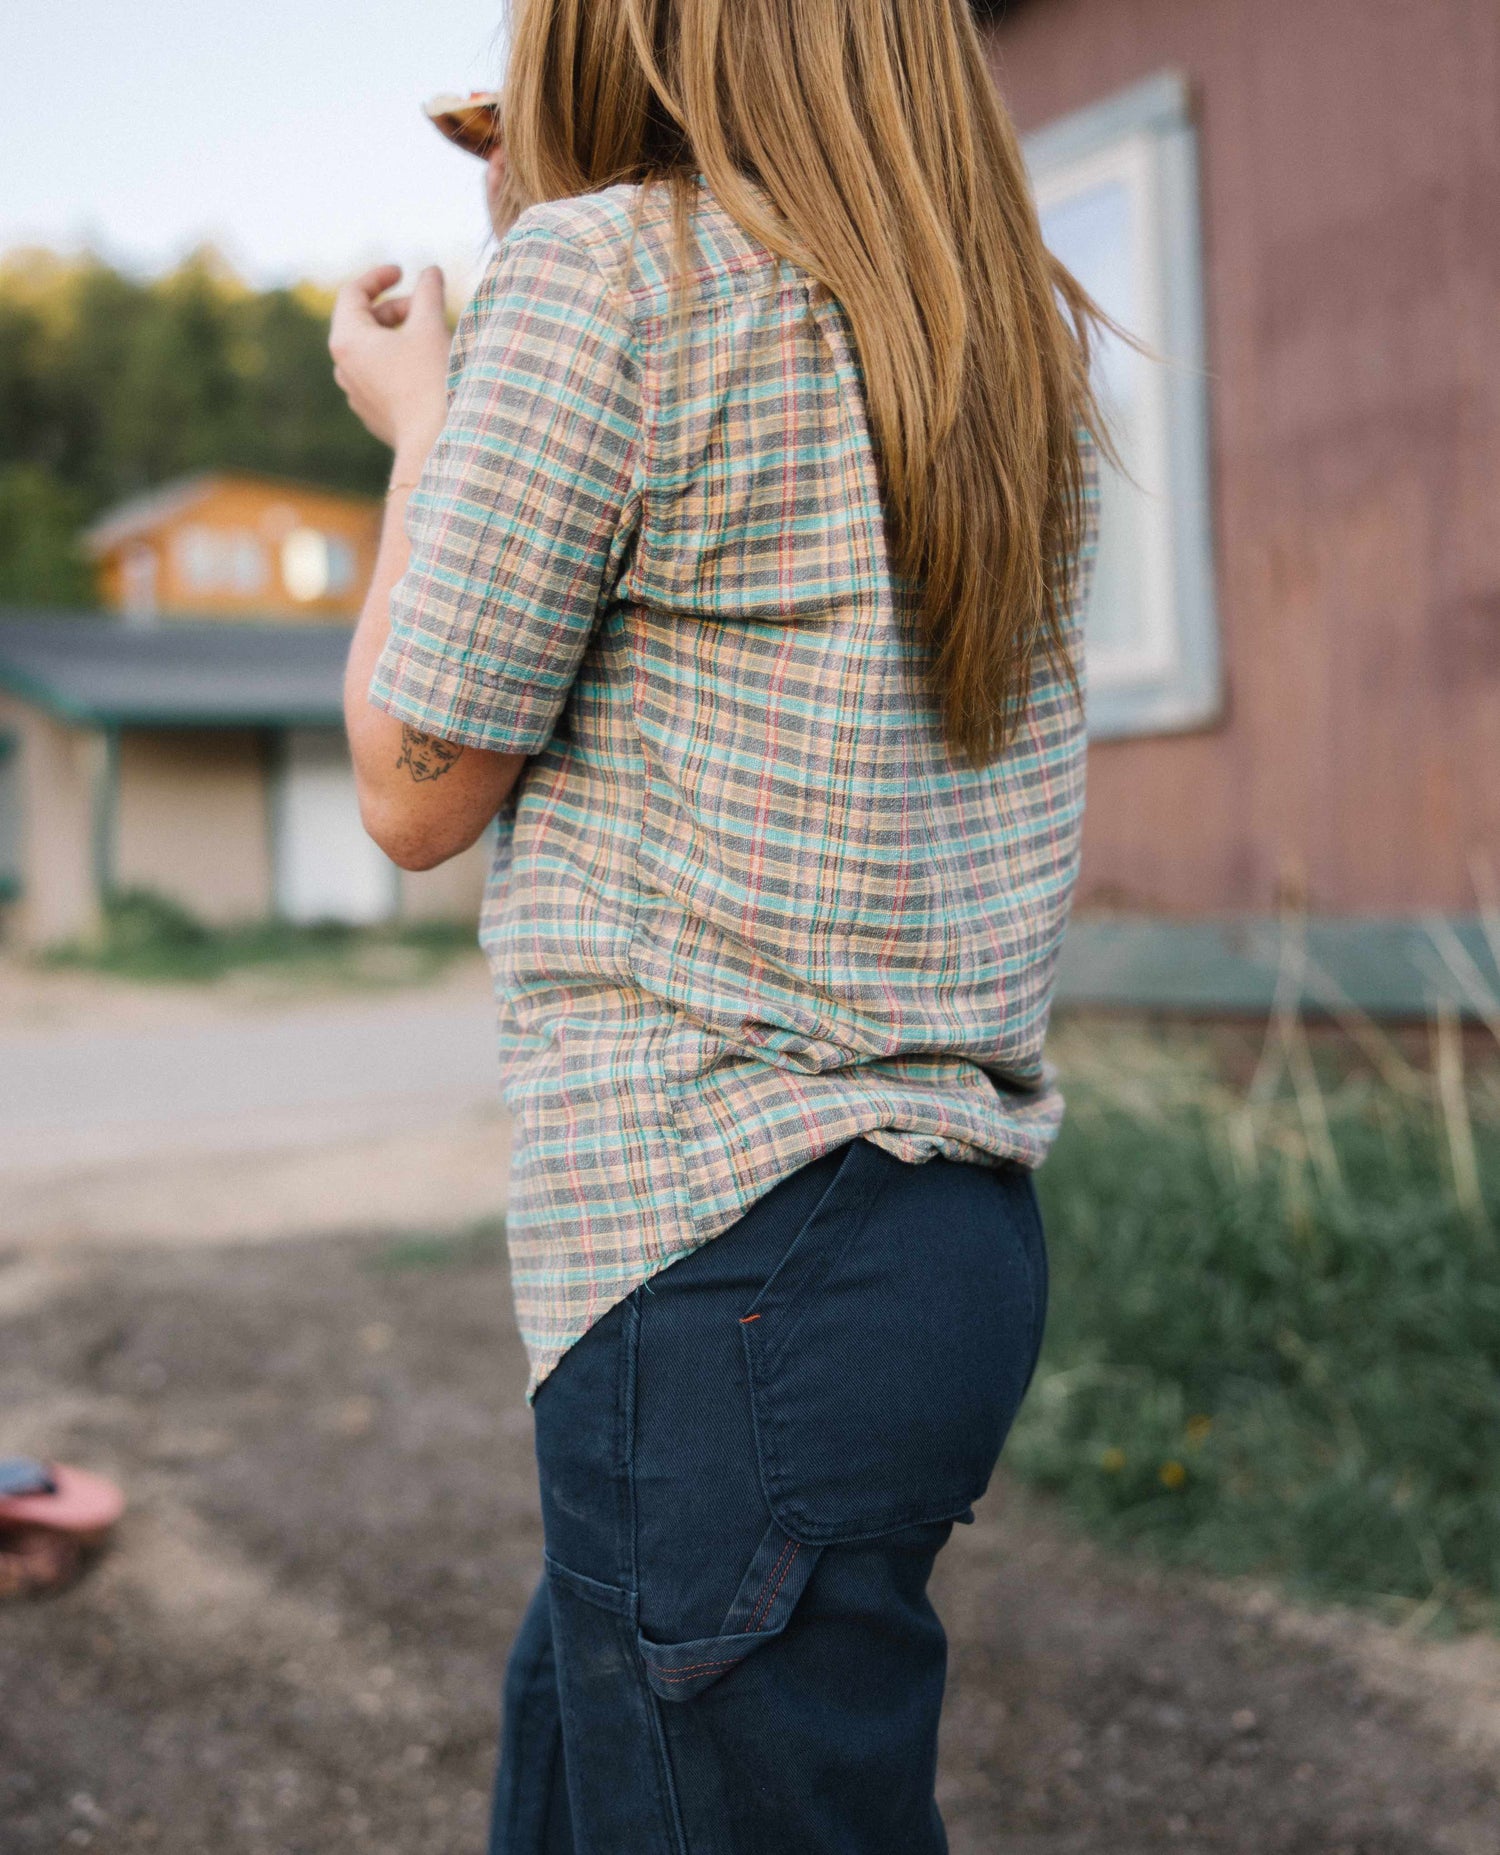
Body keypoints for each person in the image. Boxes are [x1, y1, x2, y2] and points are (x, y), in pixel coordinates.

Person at [329, 1, 1107, 1847]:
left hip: (723, 1249)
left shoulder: (610, 276)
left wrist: (425, 424)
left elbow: (413, 786)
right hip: (936, 1239)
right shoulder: (1003, 336)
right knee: (585, 1759)